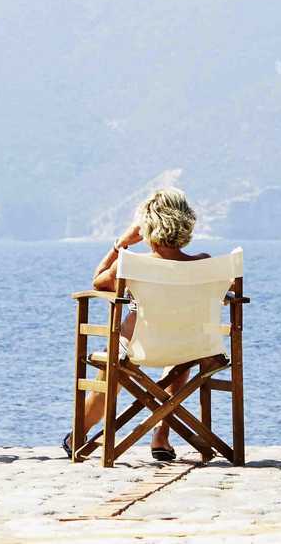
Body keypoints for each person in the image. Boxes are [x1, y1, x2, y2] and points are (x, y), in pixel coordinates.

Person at [68, 188, 209, 463]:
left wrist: (120, 244)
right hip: (190, 347)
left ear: (147, 226)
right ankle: (161, 436)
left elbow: (98, 282)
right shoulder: (204, 263)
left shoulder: (132, 264)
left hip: (137, 348)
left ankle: (79, 436)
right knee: (179, 355)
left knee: (114, 367)